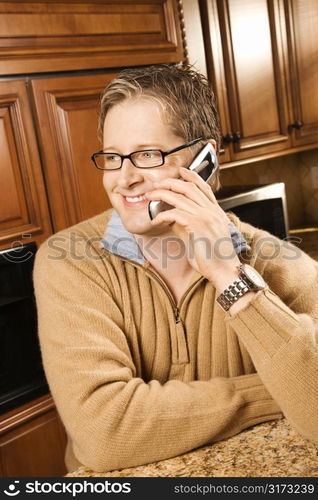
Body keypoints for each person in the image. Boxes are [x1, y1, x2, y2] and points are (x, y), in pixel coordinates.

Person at [33, 64, 318, 473]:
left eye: (147, 155)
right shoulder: (70, 261)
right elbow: (104, 433)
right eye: (113, 158)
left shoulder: (281, 263)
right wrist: (276, 389)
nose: (124, 179)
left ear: (206, 158)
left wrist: (229, 275)